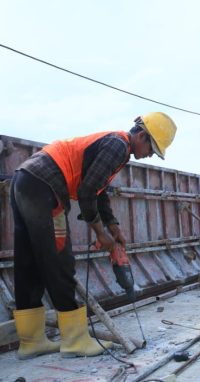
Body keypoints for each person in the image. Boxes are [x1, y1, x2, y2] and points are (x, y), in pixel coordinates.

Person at [10, 112, 177, 359]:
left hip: (24, 180)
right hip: (44, 186)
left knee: (29, 263)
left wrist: (113, 226)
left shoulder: (114, 144)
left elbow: (98, 191)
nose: (150, 155)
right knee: (60, 262)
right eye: (152, 149)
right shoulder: (118, 146)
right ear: (142, 135)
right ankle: (75, 341)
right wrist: (101, 233)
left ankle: (31, 341)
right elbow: (87, 191)